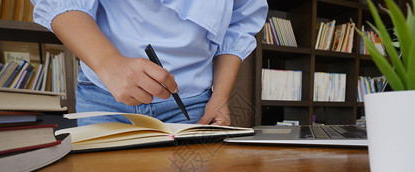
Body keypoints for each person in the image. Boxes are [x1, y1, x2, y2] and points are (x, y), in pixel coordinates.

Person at [31, 0, 268, 126]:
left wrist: (220, 97)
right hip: (105, 96)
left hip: (194, 104)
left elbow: (240, 23)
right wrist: (109, 64)